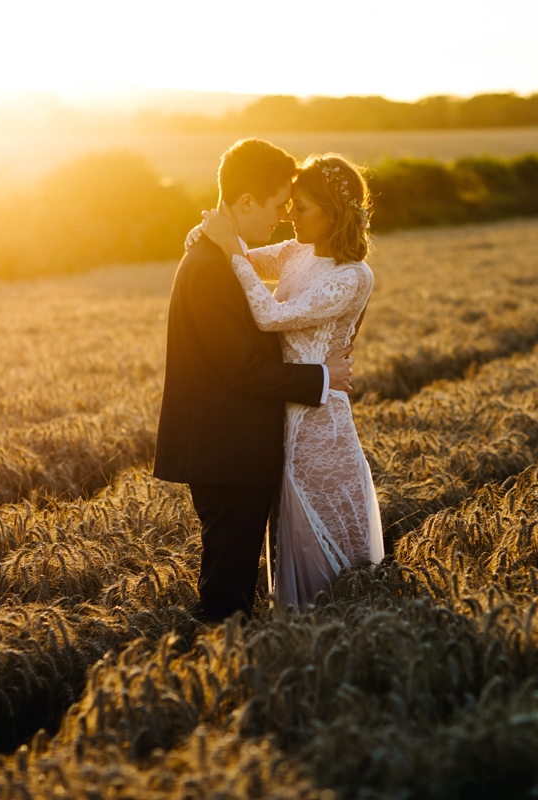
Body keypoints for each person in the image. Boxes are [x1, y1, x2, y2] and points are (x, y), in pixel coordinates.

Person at [153, 138, 354, 624]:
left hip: (233, 453)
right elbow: (241, 369)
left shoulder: (220, 258)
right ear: (245, 203)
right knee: (228, 595)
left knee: (234, 581)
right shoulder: (211, 270)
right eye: (278, 204)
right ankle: (222, 675)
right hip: (227, 456)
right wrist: (322, 377)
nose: (283, 217)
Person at [194, 153, 383, 611]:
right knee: (287, 533)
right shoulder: (295, 253)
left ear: (334, 214)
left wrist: (232, 250)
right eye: (289, 204)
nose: (288, 216)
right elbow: (211, 248)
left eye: (301, 208)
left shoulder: (353, 277)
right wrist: (215, 234)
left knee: (317, 539)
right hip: (284, 410)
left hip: (319, 426)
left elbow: (271, 315)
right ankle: (300, 634)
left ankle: (341, 627)